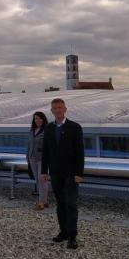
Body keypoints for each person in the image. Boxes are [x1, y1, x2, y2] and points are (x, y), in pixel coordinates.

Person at [40, 98, 85, 250]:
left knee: (71, 204)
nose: (58, 110)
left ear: (65, 109)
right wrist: (43, 171)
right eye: (55, 108)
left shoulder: (75, 127)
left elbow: (80, 152)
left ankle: (72, 235)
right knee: (60, 203)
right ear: (51, 111)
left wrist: (79, 173)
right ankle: (63, 231)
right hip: (55, 172)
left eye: (60, 107)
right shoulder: (49, 128)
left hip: (71, 173)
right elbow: (45, 151)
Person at [27, 111, 49, 210]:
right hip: (32, 158)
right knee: (37, 179)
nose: (38, 120)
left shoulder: (47, 130)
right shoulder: (32, 130)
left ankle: (42, 202)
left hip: (42, 158)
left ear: (43, 119)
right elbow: (29, 144)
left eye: (40, 118)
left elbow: (49, 145)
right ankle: (43, 200)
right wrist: (27, 155)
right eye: (36, 118)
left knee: (42, 179)